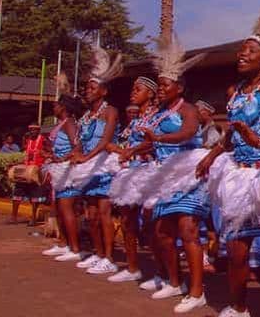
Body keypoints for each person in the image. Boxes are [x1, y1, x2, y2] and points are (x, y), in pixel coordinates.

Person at [196, 0, 260, 317]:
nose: (242, 55)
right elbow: (230, 135)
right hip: (240, 176)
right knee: (237, 249)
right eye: (241, 50)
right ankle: (239, 308)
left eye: (250, 51)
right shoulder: (236, 93)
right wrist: (212, 156)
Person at [136, 34, 208, 313]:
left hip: (189, 172)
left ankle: (197, 291)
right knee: (162, 232)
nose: (161, 89)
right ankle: (174, 282)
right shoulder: (160, 114)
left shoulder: (187, 109)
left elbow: (189, 132)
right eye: (160, 85)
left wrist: (159, 140)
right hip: (165, 177)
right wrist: (132, 151)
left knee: (187, 230)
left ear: (179, 87)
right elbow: (152, 138)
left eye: (165, 85)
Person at [71, 44, 123, 276]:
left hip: (103, 167)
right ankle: (98, 253)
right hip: (87, 168)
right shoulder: (84, 116)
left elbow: (105, 140)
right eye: (86, 86)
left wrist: (86, 158)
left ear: (103, 91)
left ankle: (110, 257)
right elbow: (80, 141)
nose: (87, 90)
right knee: (90, 216)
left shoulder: (110, 111)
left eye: (92, 87)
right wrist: (76, 155)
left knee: (103, 214)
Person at [106, 76, 160, 284]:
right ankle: (132, 268)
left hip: (150, 172)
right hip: (131, 172)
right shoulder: (135, 121)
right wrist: (118, 150)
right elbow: (128, 146)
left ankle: (162, 273)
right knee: (128, 221)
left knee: (150, 225)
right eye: (133, 89)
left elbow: (154, 143)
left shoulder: (158, 116)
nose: (133, 92)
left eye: (138, 89)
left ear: (151, 94)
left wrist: (131, 150)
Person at [41, 90, 85, 260]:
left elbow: (78, 147)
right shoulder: (61, 124)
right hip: (60, 171)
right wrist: (51, 155)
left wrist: (62, 158)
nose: (53, 107)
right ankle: (63, 244)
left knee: (67, 210)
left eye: (56, 105)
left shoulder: (70, 123)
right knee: (59, 209)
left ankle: (75, 249)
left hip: (68, 171)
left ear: (63, 107)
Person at [10, 124, 48, 225]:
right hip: (26, 170)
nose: (32, 132)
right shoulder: (28, 140)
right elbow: (25, 151)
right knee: (18, 192)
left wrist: (44, 154)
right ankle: (13, 217)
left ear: (38, 131)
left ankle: (33, 218)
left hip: (36, 170)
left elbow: (50, 151)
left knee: (35, 195)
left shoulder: (43, 140)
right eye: (31, 130)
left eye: (35, 130)